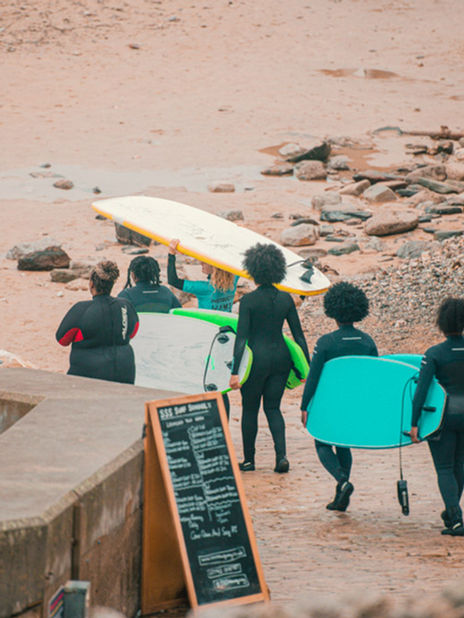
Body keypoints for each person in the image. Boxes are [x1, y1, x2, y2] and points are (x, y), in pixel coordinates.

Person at [229, 243, 310, 474]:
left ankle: (249, 461)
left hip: (256, 360)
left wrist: (235, 371)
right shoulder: (286, 299)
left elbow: (242, 339)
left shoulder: (248, 301)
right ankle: (281, 457)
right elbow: (298, 336)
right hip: (281, 358)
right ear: (277, 270)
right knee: (273, 408)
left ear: (253, 270)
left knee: (250, 409)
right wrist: (307, 367)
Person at [300, 282, 378, 511]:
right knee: (343, 445)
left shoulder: (326, 342)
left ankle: (342, 482)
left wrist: (305, 406)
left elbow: (313, 377)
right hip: (354, 403)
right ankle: (340, 498)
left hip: (329, 402)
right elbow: (375, 376)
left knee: (322, 443)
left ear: (332, 311)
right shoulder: (367, 342)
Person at [409, 297, 464, 536]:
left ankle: (455, 518)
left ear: (441, 323)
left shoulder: (434, 354)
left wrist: (414, 423)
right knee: (460, 465)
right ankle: (452, 512)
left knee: (444, 468)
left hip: (443, 417)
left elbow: (421, 390)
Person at [56, 260, 139, 384]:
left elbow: (62, 340)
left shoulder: (81, 309)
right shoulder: (126, 305)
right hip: (125, 374)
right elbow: (133, 332)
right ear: (112, 284)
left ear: (91, 284)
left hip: (87, 377)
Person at [167, 239, 238, 312]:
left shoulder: (204, 288)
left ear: (214, 268)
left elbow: (173, 281)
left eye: (205, 262)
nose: (201, 263)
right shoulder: (233, 279)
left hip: (205, 319)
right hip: (226, 319)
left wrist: (171, 253)